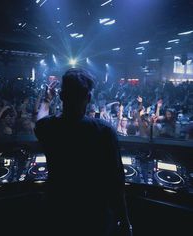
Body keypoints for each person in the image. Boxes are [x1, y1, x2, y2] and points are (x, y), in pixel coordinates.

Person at [34, 68, 132, 236]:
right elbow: (116, 183)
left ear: (62, 96)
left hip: (57, 213)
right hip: (94, 218)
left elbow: (40, 119)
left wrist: (46, 100)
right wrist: (125, 223)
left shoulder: (48, 127)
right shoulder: (103, 131)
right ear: (88, 98)